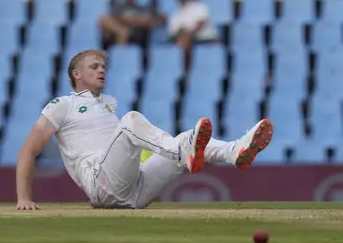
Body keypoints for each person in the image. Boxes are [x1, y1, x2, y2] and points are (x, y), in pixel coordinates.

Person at [15, 50, 274, 210]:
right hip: (100, 185)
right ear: (76, 73)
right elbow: (28, 151)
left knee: (185, 137)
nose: (102, 69)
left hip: (135, 191)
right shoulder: (62, 104)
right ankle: (182, 150)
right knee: (131, 121)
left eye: (104, 65)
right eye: (94, 66)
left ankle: (234, 151)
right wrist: (23, 198)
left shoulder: (108, 103)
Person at [98, 0, 165, 46]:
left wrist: (150, 22)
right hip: (117, 28)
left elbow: (163, 18)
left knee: (123, 32)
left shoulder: (142, 9)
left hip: (134, 33)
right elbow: (115, 17)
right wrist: (133, 20)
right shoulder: (120, 6)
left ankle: (119, 53)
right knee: (103, 19)